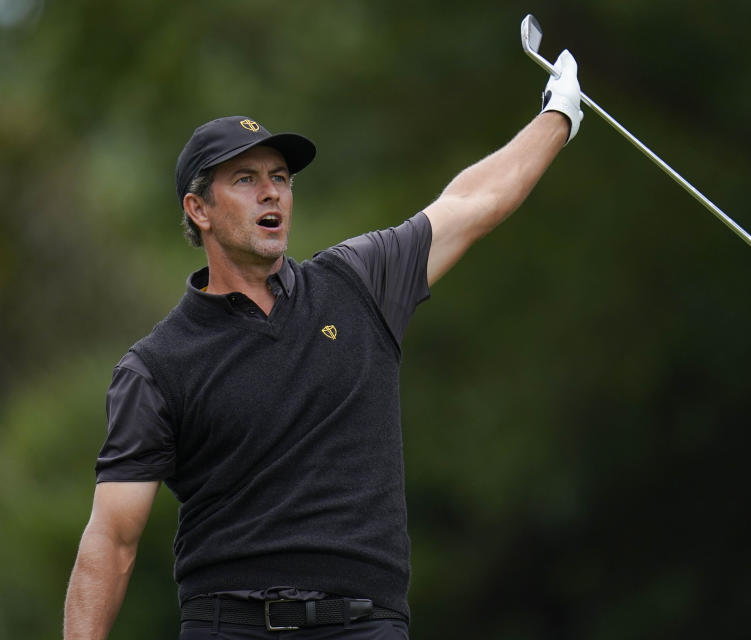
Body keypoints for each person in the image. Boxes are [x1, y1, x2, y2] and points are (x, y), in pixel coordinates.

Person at [63, 50, 583, 640]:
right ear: (197, 209)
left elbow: (470, 202)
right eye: (245, 180)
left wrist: (558, 116)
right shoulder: (155, 367)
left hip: (365, 625)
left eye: (280, 179)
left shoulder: (357, 284)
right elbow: (111, 541)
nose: (272, 194)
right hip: (228, 626)